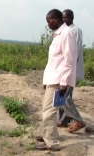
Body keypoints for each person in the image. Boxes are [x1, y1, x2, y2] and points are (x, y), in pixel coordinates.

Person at [35, 9, 77, 151]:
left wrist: (64, 82)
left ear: (57, 19)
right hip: (53, 79)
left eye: (49, 21)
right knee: (49, 110)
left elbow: (69, 59)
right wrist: (46, 81)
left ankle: (51, 142)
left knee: (49, 112)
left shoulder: (67, 34)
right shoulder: (59, 34)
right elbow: (54, 61)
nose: (48, 24)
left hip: (59, 81)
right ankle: (49, 134)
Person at [57, 9, 86, 132]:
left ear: (72, 18)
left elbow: (76, 52)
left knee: (65, 96)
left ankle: (77, 120)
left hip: (70, 69)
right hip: (64, 69)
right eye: (62, 18)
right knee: (61, 95)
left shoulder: (75, 31)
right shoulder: (64, 31)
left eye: (66, 18)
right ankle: (63, 120)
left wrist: (70, 70)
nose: (64, 20)